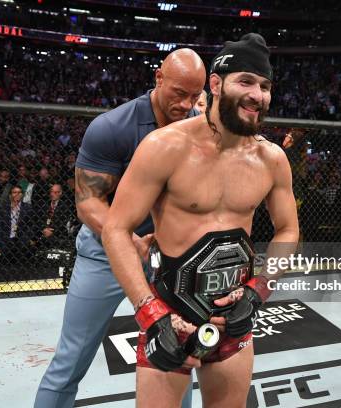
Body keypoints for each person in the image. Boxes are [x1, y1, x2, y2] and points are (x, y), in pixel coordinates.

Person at [102, 33, 299, 407]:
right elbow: (116, 228)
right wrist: (150, 312)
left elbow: (287, 228)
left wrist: (259, 291)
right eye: (245, 81)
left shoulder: (271, 159)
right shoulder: (165, 147)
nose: (258, 95)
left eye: (265, 86)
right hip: (170, 315)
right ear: (215, 84)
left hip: (234, 319)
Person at [34, 48, 206, 408]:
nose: (186, 103)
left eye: (195, 95)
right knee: (71, 359)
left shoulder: (199, 129)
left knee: (175, 358)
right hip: (106, 252)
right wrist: (126, 241)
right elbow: (88, 203)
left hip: (169, 258)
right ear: (158, 78)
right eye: (179, 93)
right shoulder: (113, 127)